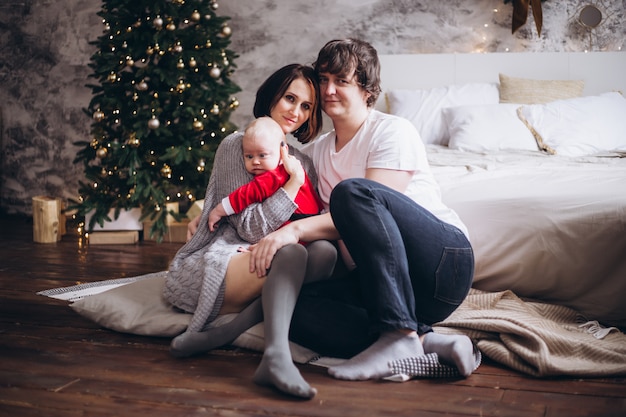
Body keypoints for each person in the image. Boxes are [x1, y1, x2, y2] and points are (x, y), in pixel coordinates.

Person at [247, 39, 477, 381]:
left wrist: (293, 231)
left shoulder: (392, 131)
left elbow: (367, 212)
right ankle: (427, 343)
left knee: (351, 193)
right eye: (323, 80)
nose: (328, 90)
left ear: (367, 88)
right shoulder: (319, 152)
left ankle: (399, 335)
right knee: (290, 309)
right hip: (382, 284)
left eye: (341, 81)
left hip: (442, 266)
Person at [164, 64, 336, 399]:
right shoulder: (238, 145)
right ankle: (277, 356)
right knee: (292, 250)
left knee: (326, 255)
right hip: (227, 256)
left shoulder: (304, 161)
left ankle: (224, 334)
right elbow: (250, 227)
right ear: (272, 95)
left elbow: (308, 221)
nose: (296, 112)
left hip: (270, 261)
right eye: (290, 98)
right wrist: (293, 185)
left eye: (306, 106)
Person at [207, 116, 323, 233]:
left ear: (283, 152)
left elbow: (245, 194)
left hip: (298, 224)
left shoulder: (275, 175)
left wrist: (219, 210)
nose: (255, 162)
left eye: (262, 155)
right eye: (249, 156)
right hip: (311, 224)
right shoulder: (296, 168)